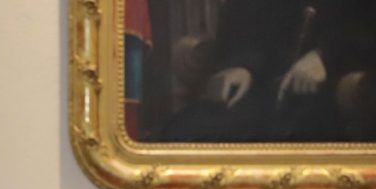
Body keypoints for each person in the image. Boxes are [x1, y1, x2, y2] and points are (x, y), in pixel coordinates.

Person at [156, 0, 376, 142]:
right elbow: (245, 19)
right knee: (185, 134)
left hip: (333, 94)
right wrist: (244, 65)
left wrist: (325, 55)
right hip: (260, 89)